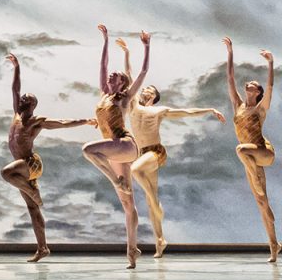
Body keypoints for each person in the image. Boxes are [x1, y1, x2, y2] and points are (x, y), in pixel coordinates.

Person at [116, 38, 225, 258]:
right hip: (141, 152)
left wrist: (210, 110)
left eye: (149, 89)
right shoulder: (133, 104)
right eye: (144, 88)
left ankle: (157, 204)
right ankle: (160, 240)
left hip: (155, 152)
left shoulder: (159, 110)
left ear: (154, 97)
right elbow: (130, 75)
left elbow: (186, 112)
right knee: (149, 199)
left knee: (136, 171)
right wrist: (127, 53)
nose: (145, 89)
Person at [0, 52, 96, 262]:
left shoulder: (36, 121)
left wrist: (85, 121)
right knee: (32, 208)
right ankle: (43, 248)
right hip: (21, 168)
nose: (23, 99)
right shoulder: (16, 114)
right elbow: (15, 89)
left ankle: (33, 192)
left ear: (33, 106)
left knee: (6, 173)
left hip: (30, 164)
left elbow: (62, 123)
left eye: (27, 99)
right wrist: (17, 67)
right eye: (23, 98)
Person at [82, 24, 150, 269]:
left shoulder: (125, 98)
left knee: (88, 149)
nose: (111, 75)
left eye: (117, 76)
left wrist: (146, 47)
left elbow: (143, 72)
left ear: (122, 84)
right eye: (112, 75)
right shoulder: (103, 95)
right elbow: (103, 65)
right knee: (127, 204)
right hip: (113, 151)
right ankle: (132, 249)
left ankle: (115, 180)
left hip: (124, 145)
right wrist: (105, 41)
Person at [223, 36, 280, 261]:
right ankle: (274, 245)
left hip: (262, 152)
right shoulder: (238, 106)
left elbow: (271, 87)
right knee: (261, 202)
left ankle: (256, 182)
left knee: (240, 149)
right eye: (249, 84)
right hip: (251, 159)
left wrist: (270, 63)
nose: (249, 84)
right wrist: (230, 52)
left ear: (257, 92)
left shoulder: (260, 109)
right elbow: (230, 78)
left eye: (254, 85)